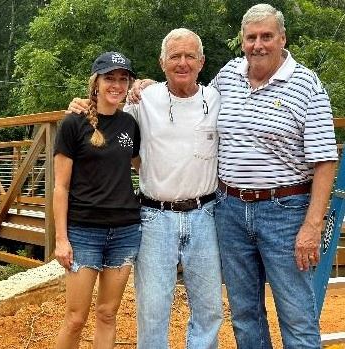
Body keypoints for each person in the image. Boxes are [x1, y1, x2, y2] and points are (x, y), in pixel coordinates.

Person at [129, 4, 338, 348]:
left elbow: (325, 160)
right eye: (251, 37)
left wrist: (312, 225)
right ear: (242, 41)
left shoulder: (306, 85)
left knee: (296, 313)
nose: (259, 44)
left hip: (284, 211)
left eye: (267, 36)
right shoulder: (228, 77)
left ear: (282, 38)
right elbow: (179, 103)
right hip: (229, 211)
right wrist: (140, 88)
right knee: (244, 313)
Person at [68, 29, 223, 348]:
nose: (183, 63)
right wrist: (82, 107)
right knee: (152, 310)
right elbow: (109, 122)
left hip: (205, 214)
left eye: (190, 56)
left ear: (202, 62)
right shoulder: (143, 100)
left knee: (208, 309)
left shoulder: (216, 99)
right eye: (175, 56)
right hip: (155, 216)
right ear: (162, 62)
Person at [53, 51, 141, 348]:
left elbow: (142, 165)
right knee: (75, 318)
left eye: (123, 79)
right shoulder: (73, 123)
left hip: (125, 231)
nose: (116, 85)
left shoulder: (130, 124)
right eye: (110, 78)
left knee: (107, 313)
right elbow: (60, 188)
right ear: (96, 83)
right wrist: (61, 239)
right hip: (83, 232)